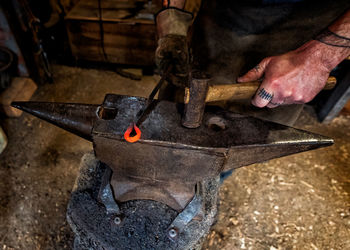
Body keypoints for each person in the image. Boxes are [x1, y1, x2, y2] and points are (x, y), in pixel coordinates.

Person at [155, 0, 350, 125]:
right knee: (171, 114)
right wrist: (172, 17)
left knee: (242, 133)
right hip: (217, 19)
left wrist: (320, 59)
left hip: (300, 35)